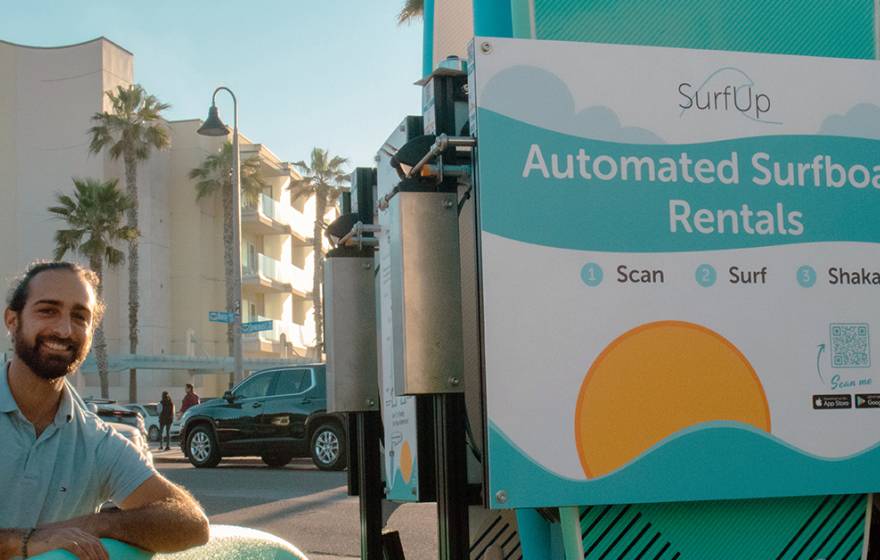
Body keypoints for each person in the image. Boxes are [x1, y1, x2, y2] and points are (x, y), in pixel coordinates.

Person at [0, 262, 209, 560]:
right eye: (47, 310)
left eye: (80, 317)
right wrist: (23, 542)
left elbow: (192, 523)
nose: (63, 329)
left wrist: (93, 525)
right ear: (12, 319)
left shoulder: (94, 441)